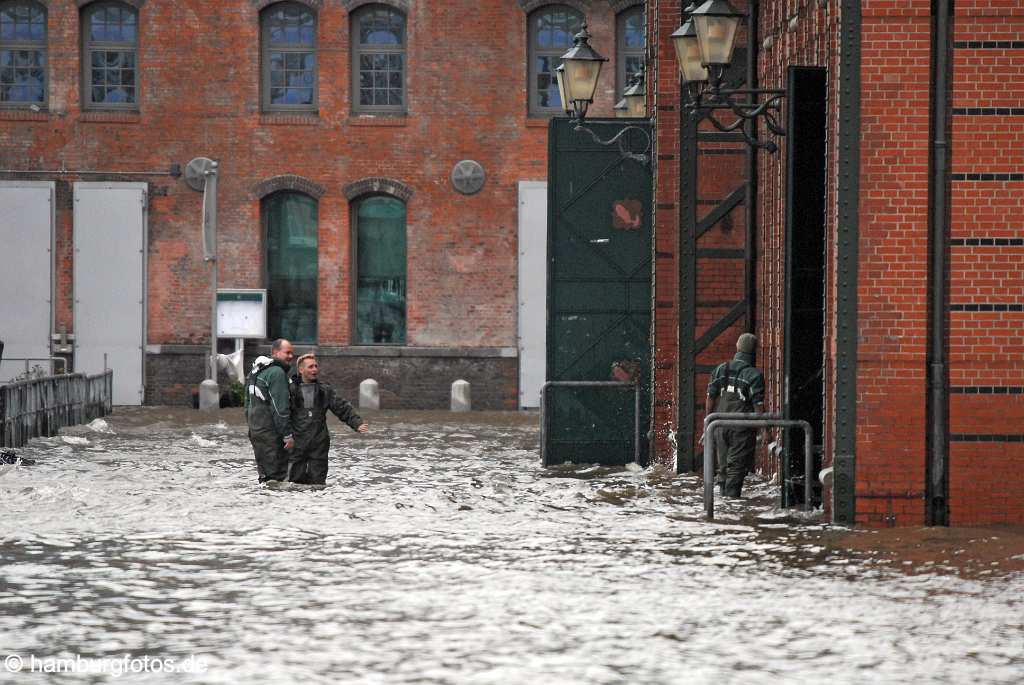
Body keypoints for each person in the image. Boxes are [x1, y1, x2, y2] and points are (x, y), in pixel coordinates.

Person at [287, 353, 369, 485]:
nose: (315, 370)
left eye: (316, 366)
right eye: (310, 367)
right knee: (294, 482)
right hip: (297, 442)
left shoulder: (324, 390)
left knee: (318, 483)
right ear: (301, 370)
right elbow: (282, 414)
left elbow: (341, 407)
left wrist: (357, 423)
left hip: (319, 442)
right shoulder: (290, 390)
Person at [705, 332, 765, 498]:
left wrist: (708, 423)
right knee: (736, 470)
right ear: (754, 351)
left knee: (723, 469)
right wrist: (765, 431)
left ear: (737, 348)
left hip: (719, 426)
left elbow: (710, 398)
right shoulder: (754, 375)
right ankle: (733, 507)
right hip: (741, 428)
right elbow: (758, 406)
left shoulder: (720, 369)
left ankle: (722, 509)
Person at [244, 338, 295, 483]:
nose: (291, 356)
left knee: (265, 478)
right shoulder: (277, 373)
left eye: (292, 353)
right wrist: (287, 435)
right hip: (272, 436)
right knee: (277, 479)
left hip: (256, 433)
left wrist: (252, 427)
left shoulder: (254, 372)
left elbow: (247, 404)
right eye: (287, 352)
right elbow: (280, 409)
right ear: (275, 352)